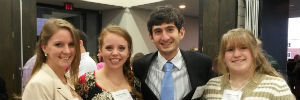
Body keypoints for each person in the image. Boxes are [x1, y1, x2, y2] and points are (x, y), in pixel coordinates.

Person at [132, 6, 212, 100]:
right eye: (158, 31)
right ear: (151, 37)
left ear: (181, 33)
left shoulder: (202, 64)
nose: (165, 37)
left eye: (170, 29)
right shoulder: (140, 66)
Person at [202, 28, 295, 100]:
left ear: (255, 52)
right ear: (223, 56)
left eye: (243, 48)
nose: (236, 54)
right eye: (230, 49)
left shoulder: (277, 86)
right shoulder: (212, 86)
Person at [76, 25, 142, 100]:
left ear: (128, 53)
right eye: (109, 48)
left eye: (121, 48)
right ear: (100, 50)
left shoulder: (136, 83)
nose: (115, 53)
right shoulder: (85, 82)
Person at [22, 18, 81, 100]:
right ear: (44, 47)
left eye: (71, 44)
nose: (67, 51)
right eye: (58, 44)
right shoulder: (39, 84)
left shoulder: (66, 78)